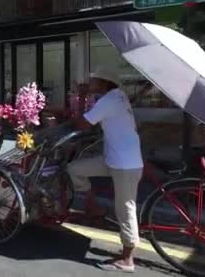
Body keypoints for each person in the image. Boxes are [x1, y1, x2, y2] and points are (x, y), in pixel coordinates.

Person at [67, 68, 143, 273]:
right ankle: (94, 207)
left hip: (125, 165)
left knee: (125, 208)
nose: (90, 83)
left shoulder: (108, 101)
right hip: (114, 160)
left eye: (93, 81)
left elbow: (82, 124)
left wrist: (81, 96)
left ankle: (127, 259)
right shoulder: (118, 97)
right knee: (75, 168)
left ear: (104, 83)